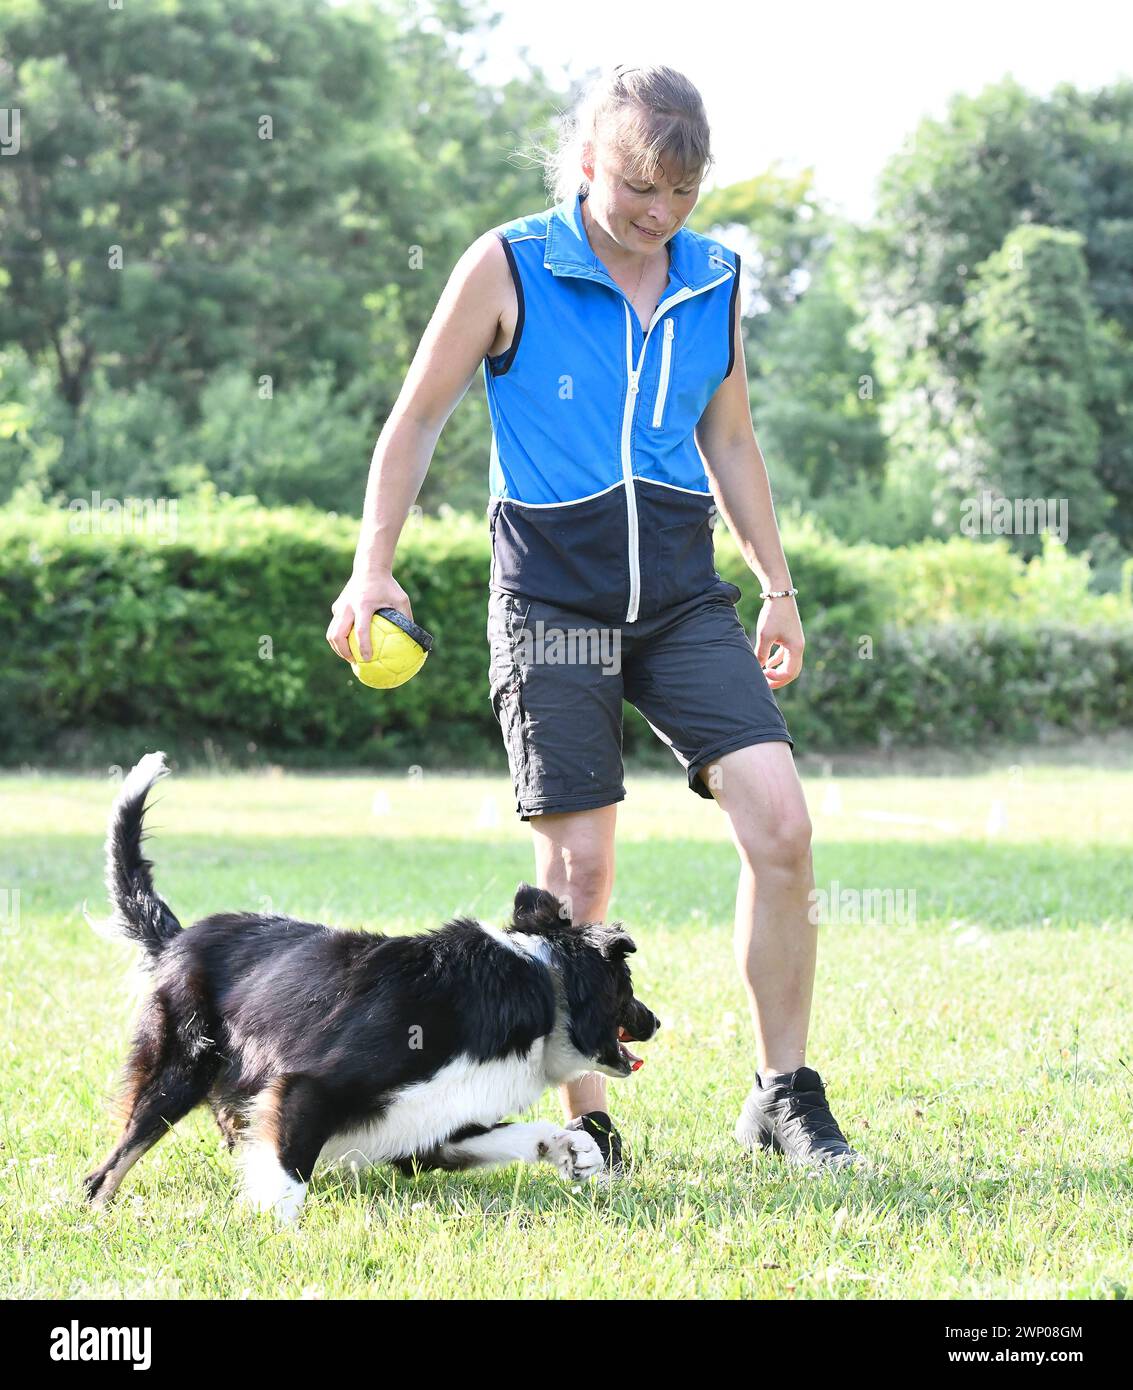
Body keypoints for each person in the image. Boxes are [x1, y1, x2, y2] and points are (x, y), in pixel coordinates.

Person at [327, 64, 861, 1173]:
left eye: (680, 193)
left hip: (677, 596)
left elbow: (729, 441)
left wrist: (776, 584)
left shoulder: (711, 278)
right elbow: (417, 417)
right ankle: (581, 1124)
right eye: (634, 188)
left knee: (783, 827)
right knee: (576, 883)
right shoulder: (507, 262)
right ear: (585, 163)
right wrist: (368, 570)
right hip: (550, 597)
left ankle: (781, 1092)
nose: (656, 215)